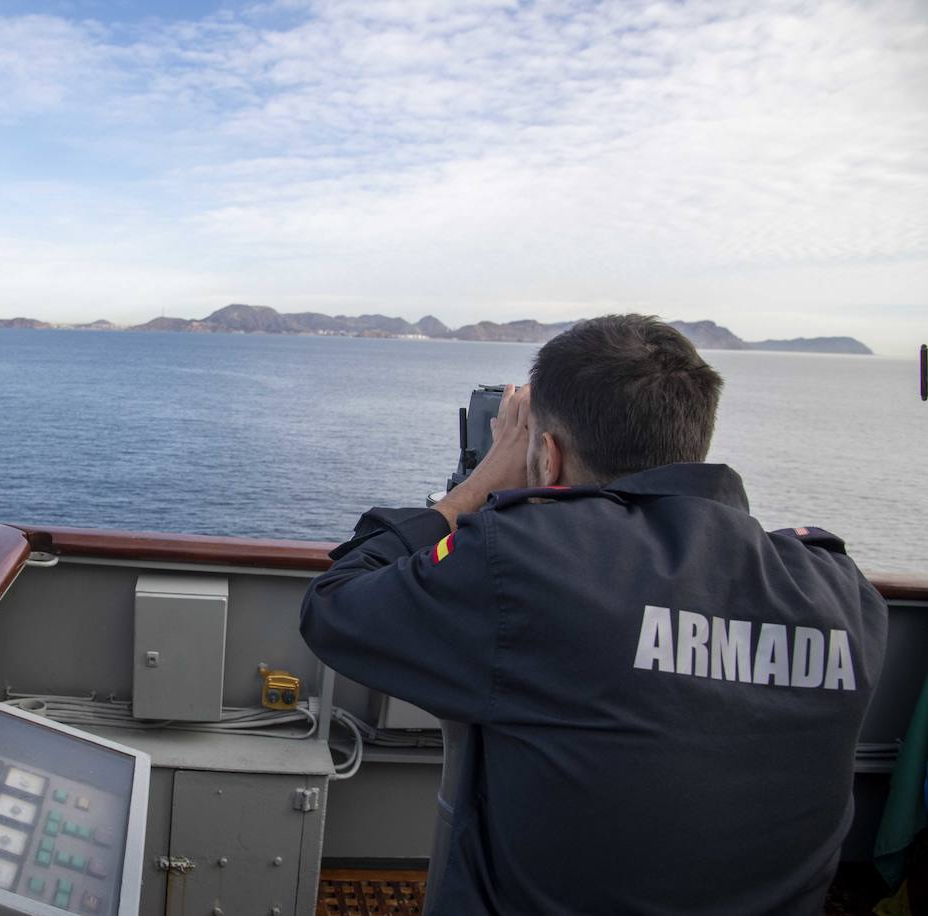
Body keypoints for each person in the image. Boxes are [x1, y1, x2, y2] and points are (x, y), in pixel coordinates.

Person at [300, 314, 888, 914]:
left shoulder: (529, 562)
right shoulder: (841, 593)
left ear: (548, 456)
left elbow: (334, 606)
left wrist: (477, 487)